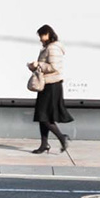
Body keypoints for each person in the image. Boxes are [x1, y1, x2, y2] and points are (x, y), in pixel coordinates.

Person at [25, 24, 70, 153]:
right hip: (47, 85)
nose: (40, 39)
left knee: (44, 116)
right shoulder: (49, 47)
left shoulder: (53, 48)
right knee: (43, 116)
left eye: (41, 35)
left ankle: (62, 138)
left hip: (52, 85)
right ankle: (44, 144)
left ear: (48, 34)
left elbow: (54, 67)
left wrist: (39, 64)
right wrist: (34, 67)